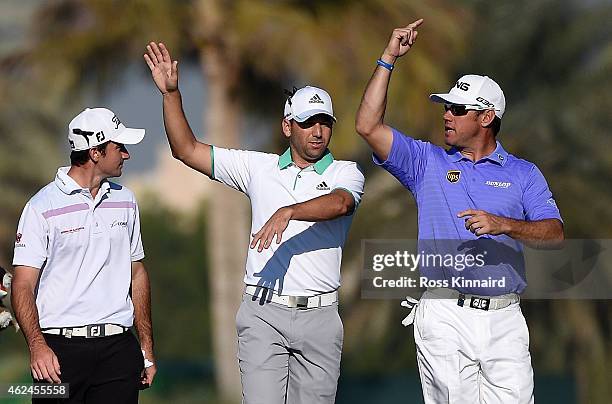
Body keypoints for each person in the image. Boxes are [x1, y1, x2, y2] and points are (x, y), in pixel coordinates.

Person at [355, 20, 564, 404]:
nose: (446, 114)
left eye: (457, 108)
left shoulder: (523, 173)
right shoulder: (426, 161)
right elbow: (368, 126)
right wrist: (388, 59)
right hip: (444, 312)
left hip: (505, 316)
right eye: (446, 107)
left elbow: (554, 234)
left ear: (486, 117)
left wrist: (504, 225)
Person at [144, 42, 364, 403]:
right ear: (287, 126)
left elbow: (340, 204)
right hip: (264, 312)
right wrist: (171, 94)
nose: (318, 131)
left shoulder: (346, 172)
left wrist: (290, 211)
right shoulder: (258, 168)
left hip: (321, 317)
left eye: (325, 123)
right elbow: (186, 150)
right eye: (308, 123)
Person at [11, 107, 156, 403]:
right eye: (120, 147)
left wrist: (146, 348)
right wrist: (37, 346)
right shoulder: (41, 207)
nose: (126, 154)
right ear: (95, 152)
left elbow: (137, 273)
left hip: (118, 351)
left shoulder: (125, 201)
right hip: (56, 356)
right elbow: (22, 284)